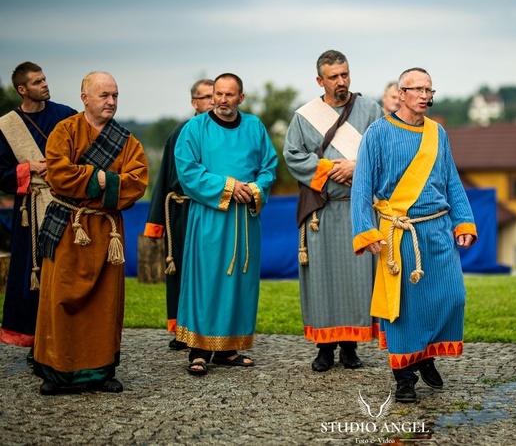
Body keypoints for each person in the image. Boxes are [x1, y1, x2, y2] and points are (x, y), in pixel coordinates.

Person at [351, 67, 477, 403]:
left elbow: (451, 179)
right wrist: (366, 231)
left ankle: (425, 355)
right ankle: (404, 377)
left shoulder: (439, 133)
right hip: (398, 233)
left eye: (429, 90)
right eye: (417, 89)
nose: (425, 95)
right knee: (405, 308)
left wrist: (463, 221)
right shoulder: (377, 133)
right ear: (401, 92)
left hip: (437, 228)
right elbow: (362, 186)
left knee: (452, 296)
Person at [34, 72, 148, 395]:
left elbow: (137, 181)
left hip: (105, 231)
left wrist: (101, 181)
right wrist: (104, 178)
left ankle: (100, 372)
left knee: (104, 303)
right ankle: (57, 372)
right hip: (69, 226)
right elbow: (58, 173)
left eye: (115, 95)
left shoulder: (129, 142)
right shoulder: (64, 131)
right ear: (85, 97)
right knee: (59, 299)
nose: (111, 101)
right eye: (104, 95)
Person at [283, 50, 381, 372]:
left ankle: (350, 348)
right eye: (334, 77)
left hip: (357, 208)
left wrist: (356, 166)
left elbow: (382, 150)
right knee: (322, 279)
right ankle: (324, 348)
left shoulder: (370, 110)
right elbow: (293, 156)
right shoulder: (304, 117)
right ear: (319, 80)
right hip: (321, 213)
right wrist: (328, 169)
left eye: (345, 74)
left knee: (355, 279)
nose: (341, 82)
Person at [174, 73, 277, 376]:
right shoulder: (195, 128)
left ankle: (228, 348)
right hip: (210, 217)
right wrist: (229, 187)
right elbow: (188, 171)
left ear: (240, 98)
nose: (222, 100)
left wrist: (256, 188)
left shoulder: (254, 127)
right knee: (206, 280)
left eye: (229, 95)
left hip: (244, 220)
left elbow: (269, 166)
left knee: (238, 283)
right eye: (218, 94)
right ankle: (199, 349)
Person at [0, 62, 76, 362]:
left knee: (66, 272)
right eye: (36, 82)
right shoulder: (7, 126)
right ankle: (37, 342)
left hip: (66, 205)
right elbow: (1, 174)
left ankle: (69, 337)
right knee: (33, 274)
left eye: (44, 79)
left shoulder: (66, 115)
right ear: (22, 89)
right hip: (29, 211)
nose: (44, 84)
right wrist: (27, 168)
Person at [143, 79, 214, 351]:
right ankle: (182, 328)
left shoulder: (224, 132)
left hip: (211, 210)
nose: (211, 101)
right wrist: (156, 222)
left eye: (214, 95)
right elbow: (163, 179)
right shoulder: (181, 131)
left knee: (211, 269)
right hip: (183, 211)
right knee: (182, 270)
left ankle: (212, 327)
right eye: (205, 97)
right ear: (194, 102)